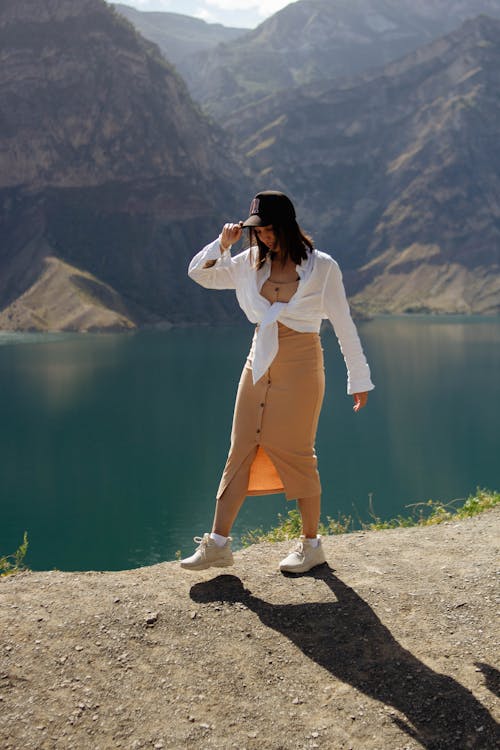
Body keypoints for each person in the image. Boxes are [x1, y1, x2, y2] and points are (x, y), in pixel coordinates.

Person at [181, 190, 374, 574]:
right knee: (240, 447)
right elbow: (199, 274)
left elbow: (342, 324)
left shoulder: (323, 268)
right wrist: (222, 244)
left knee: (298, 452)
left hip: (302, 367)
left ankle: (311, 545)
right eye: (258, 230)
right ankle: (218, 544)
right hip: (257, 363)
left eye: (269, 228)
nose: (264, 236)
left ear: (287, 224)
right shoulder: (248, 262)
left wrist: (358, 377)